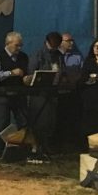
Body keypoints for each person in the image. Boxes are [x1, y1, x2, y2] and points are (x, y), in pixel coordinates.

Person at [0, 31, 29, 158]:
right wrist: (11, 73)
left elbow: (25, 73)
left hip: (19, 94)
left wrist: (27, 79)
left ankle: (22, 150)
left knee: (23, 121)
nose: (19, 48)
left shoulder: (24, 57)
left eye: (21, 45)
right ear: (8, 43)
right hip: (1, 95)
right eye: (17, 45)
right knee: (2, 123)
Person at [25, 31, 64, 162]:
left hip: (53, 93)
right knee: (39, 121)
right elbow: (31, 73)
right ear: (47, 42)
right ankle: (36, 148)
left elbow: (62, 70)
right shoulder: (38, 54)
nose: (55, 47)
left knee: (50, 122)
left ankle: (46, 147)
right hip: (39, 94)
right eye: (53, 44)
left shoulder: (58, 55)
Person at [79, 38, 98, 148]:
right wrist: (92, 78)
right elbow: (82, 79)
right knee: (90, 122)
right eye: (95, 46)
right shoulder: (89, 62)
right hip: (91, 97)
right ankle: (88, 145)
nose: (97, 48)